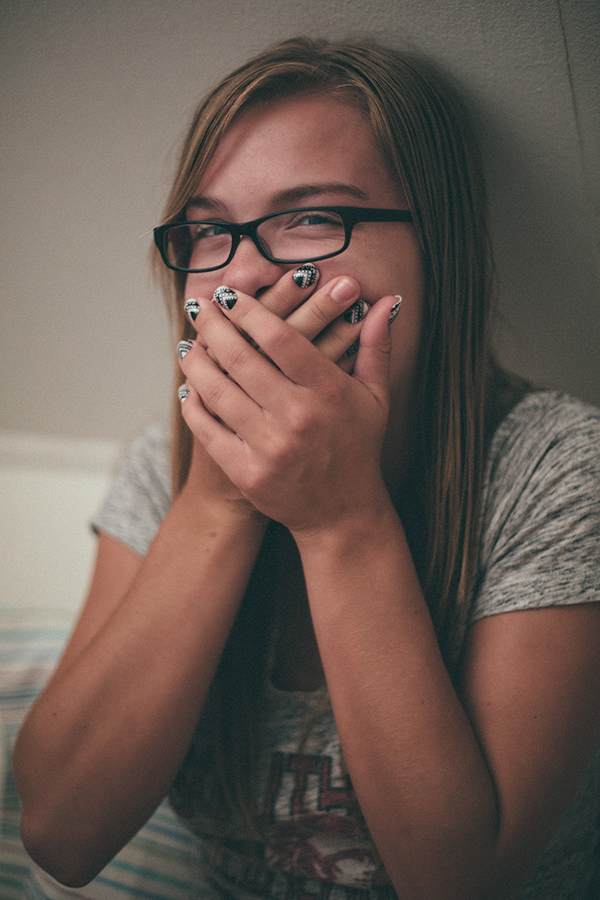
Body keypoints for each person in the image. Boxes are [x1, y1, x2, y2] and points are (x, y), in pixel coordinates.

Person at [13, 36, 600, 900]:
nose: (243, 272)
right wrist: (222, 497)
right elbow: (60, 833)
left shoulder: (557, 466)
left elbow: (463, 883)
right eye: (210, 229)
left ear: (436, 246)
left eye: (314, 216)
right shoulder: (163, 461)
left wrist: (340, 519)